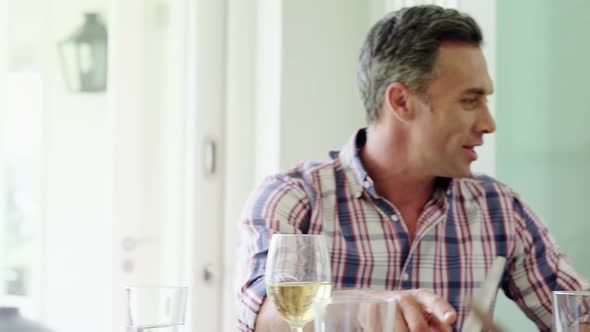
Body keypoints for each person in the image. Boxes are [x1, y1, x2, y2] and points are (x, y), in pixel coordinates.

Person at [237, 5, 589, 332]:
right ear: (401, 102)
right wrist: (365, 306)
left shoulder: (500, 210)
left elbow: (577, 312)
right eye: (470, 100)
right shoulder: (294, 198)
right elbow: (265, 315)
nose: (488, 123)